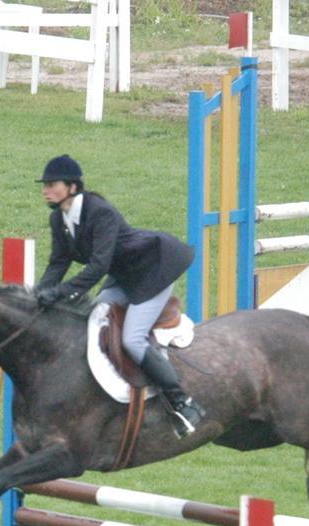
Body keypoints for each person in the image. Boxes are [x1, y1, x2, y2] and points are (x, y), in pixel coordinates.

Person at [32, 155, 204, 438]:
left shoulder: (100, 212)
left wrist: (61, 293)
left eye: (52, 184)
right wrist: (38, 297)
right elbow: (58, 262)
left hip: (153, 271)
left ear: (72, 187)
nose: (45, 190)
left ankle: (182, 402)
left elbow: (98, 265)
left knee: (132, 339)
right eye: (45, 185)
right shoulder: (58, 218)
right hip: (124, 277)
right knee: (94, 320)